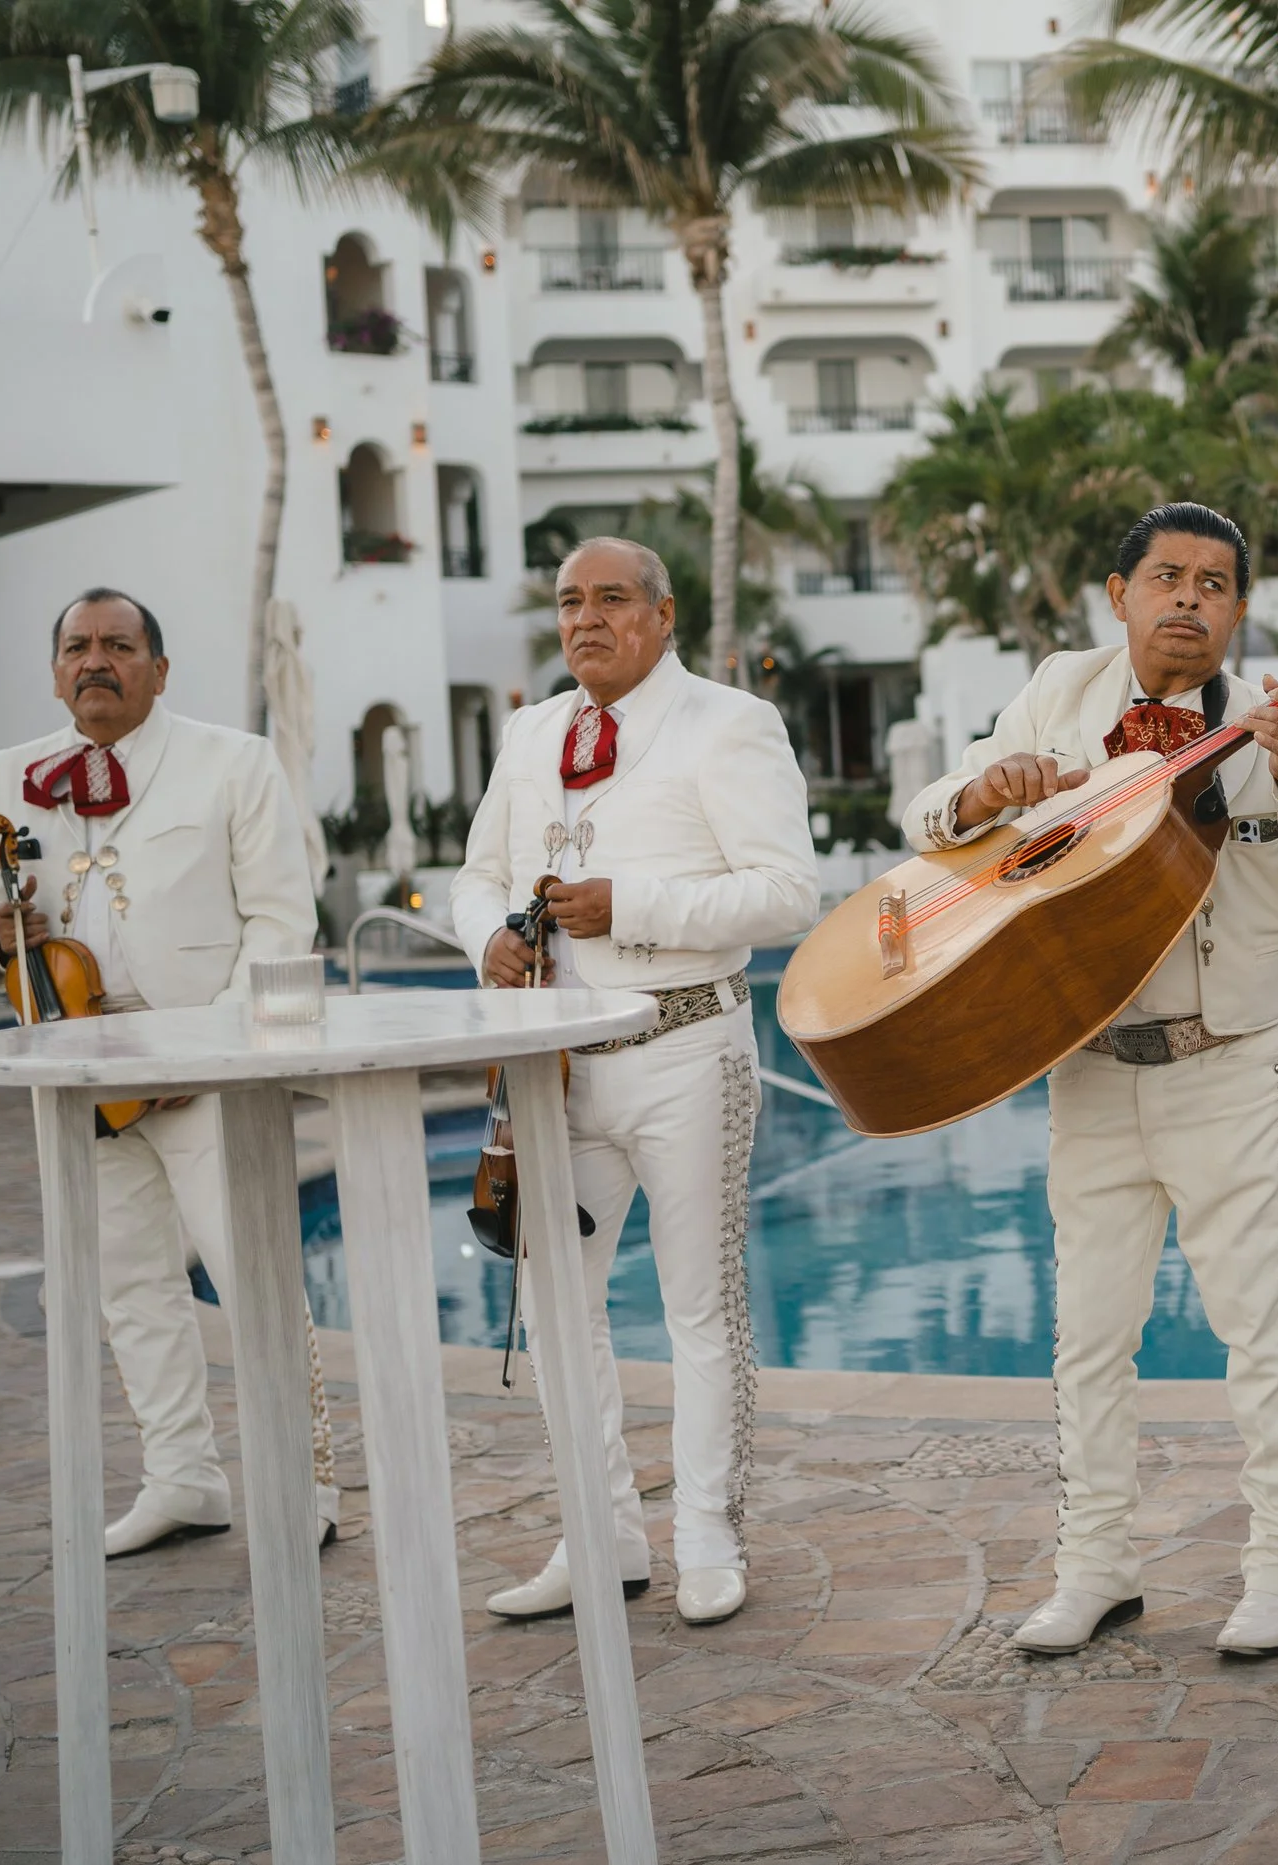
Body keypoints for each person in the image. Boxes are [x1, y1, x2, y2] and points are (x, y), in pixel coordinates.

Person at [902, 502, 1278, 1659]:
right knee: (1087, 1337)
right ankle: (1095, 1568)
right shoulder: (1057, 690)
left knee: (1259, 1333)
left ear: (1240, 609)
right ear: (1117, 595)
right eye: (1166, 577)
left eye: (1215, 584)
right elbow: (926, 822)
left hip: (1228, 1064)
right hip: (1090, 1068)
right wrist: (978, 796)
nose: (1189, 601)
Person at [452, 537, 817, 1626]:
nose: (587, 619)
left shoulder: (728, 722)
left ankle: (706, 1535)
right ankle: (599, 1533)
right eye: (571, 601)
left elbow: (788, 892)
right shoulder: (529, 732)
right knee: (561, 1310)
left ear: (663, 615)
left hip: (685, 1050)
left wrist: (636, 907)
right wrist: (486, 942)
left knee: (699, 1309)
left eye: (612, 598)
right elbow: (474, 875)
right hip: (552, 1064)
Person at [0, 589, 337, 1557]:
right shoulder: (2, 779)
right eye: (78, 646)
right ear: (55, 672)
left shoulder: (236, 762)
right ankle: (183, 1477)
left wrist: (204, 1046)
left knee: (254, 1277)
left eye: (119, 645)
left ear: (158, 670)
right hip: (78, 1065)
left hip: (205, 1065)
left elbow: (281, 922)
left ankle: (308, 1482)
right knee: (126, 1282)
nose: (97, 660)